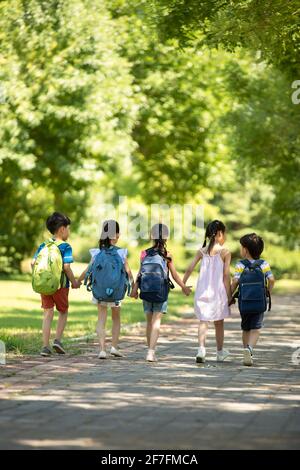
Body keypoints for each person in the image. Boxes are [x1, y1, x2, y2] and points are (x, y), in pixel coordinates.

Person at [131, 223, 192, 362]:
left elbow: (140, 273)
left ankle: (149, 349)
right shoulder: (167, 255)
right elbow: (175, 275)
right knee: (156, 321)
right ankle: (151, 352)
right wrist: (183, 287)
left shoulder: (144, 253)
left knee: (149, 322)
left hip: (146, 290)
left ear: (152, 236)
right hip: (161, 292)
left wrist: (135, 289)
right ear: (166, 237)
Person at [78, 220, 134, 359]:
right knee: (116, 318)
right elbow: (129, 273)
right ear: (117, 234)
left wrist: (77, 281)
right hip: (116, 292)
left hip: (100, 291)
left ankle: (102, 349)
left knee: (101, 318)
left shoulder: (96, 252)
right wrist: (134, 288)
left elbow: (88, 270)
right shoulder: (121, 253)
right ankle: (114, 347)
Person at [32, 212, 80, 357]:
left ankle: (45, 347)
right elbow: (66, 267)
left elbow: (33, 263)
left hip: (44, 286)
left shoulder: (43, 245)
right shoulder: (65, 246)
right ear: (62, 229)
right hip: (61, 286)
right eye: (68, 228)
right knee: (63, 311)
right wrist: (75, 282)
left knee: (47, 313)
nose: (69, 231)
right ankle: (58, 340)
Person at [183, 220, 231, 363]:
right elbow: (226, 275)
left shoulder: (201, 251)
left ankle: (201, 350)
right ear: (220, 234)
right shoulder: (225, 252)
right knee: (219, 322)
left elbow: (189, 268)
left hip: (202, 291)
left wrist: (183, 284)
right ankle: (220, 352)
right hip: (218, 293)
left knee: (203, 321)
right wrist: (229, 296)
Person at [231, 233, 275, 366]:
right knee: (256, 329)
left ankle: (246, 351)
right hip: (258, 302)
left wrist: (230, 295)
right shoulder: (263, 264)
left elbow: (235, 282)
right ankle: (249, 350)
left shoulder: (240, 265)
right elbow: (271, 279)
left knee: (245, 328)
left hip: (244, 302)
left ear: (245, 250)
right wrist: (267, 292)